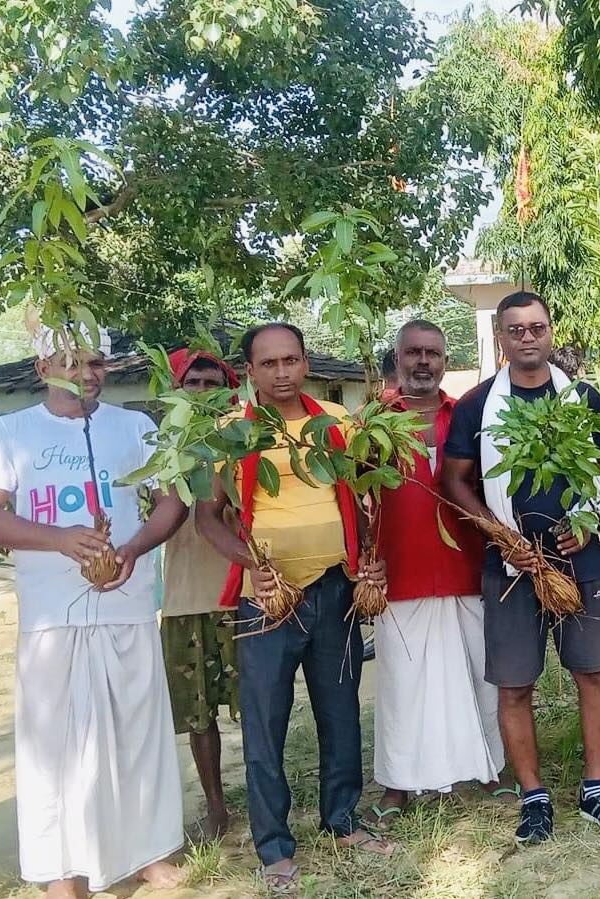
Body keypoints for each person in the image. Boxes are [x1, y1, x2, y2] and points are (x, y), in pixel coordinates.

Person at [0, 326, 189, 898]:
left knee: (136, 730)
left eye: (97, 363)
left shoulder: (134, 428)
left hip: (126, 602)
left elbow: (172, 500)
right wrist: (60, 539)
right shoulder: (9, 433)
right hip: (51, 615)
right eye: (73, 362)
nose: (88, 374)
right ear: (42, 368)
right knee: (54, 743)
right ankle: (60, 870)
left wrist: (134, 551)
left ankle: (146, 852)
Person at [195, 323, 392, 891]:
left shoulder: (336, 423)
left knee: (340, 710)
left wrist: (368, 560)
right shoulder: (232, 431)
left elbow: (365, 495)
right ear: (250, 372)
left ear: (305, 363)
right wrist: (249, 563)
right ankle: (274, 846)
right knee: (265, 721)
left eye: (291, 360)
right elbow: (207, 516)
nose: (282, 373)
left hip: (334, 590)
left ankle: (343, 820)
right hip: (268, 598)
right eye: (269, 364)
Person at [441, 291, 600, 845]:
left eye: (536, 327)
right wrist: (499, 535)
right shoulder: (478, 404)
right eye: (515, 329)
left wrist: (588, 516)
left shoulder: (581, 397)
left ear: (551, 331)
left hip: (581, 557)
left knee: (593, 674)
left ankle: (596, 791)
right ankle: (534, 797)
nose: (527, 337)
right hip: (511, 566)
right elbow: (455, 480)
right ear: (500, 337)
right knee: (514, 684)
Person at [370, 320, 510, 823]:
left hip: (469, 566)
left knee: (481, 675)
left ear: (444, 361)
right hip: (401, 571)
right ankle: (397, 783)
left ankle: (493, 767)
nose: (422, 361)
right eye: (413, 353)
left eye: (431, 353)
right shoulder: (374, 420)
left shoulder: (468, 415)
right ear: (398, 358)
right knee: (402, 684)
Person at [159, 349, 242, 842]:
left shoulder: (247, 440)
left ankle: (264, 791)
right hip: (185, 595)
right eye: (194, 384)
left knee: (257, 704)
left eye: (215, 384)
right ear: (177, 390)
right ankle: (215, 805)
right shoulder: (159, 451)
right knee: (199, 713)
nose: (205, 393)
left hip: (241, 590)